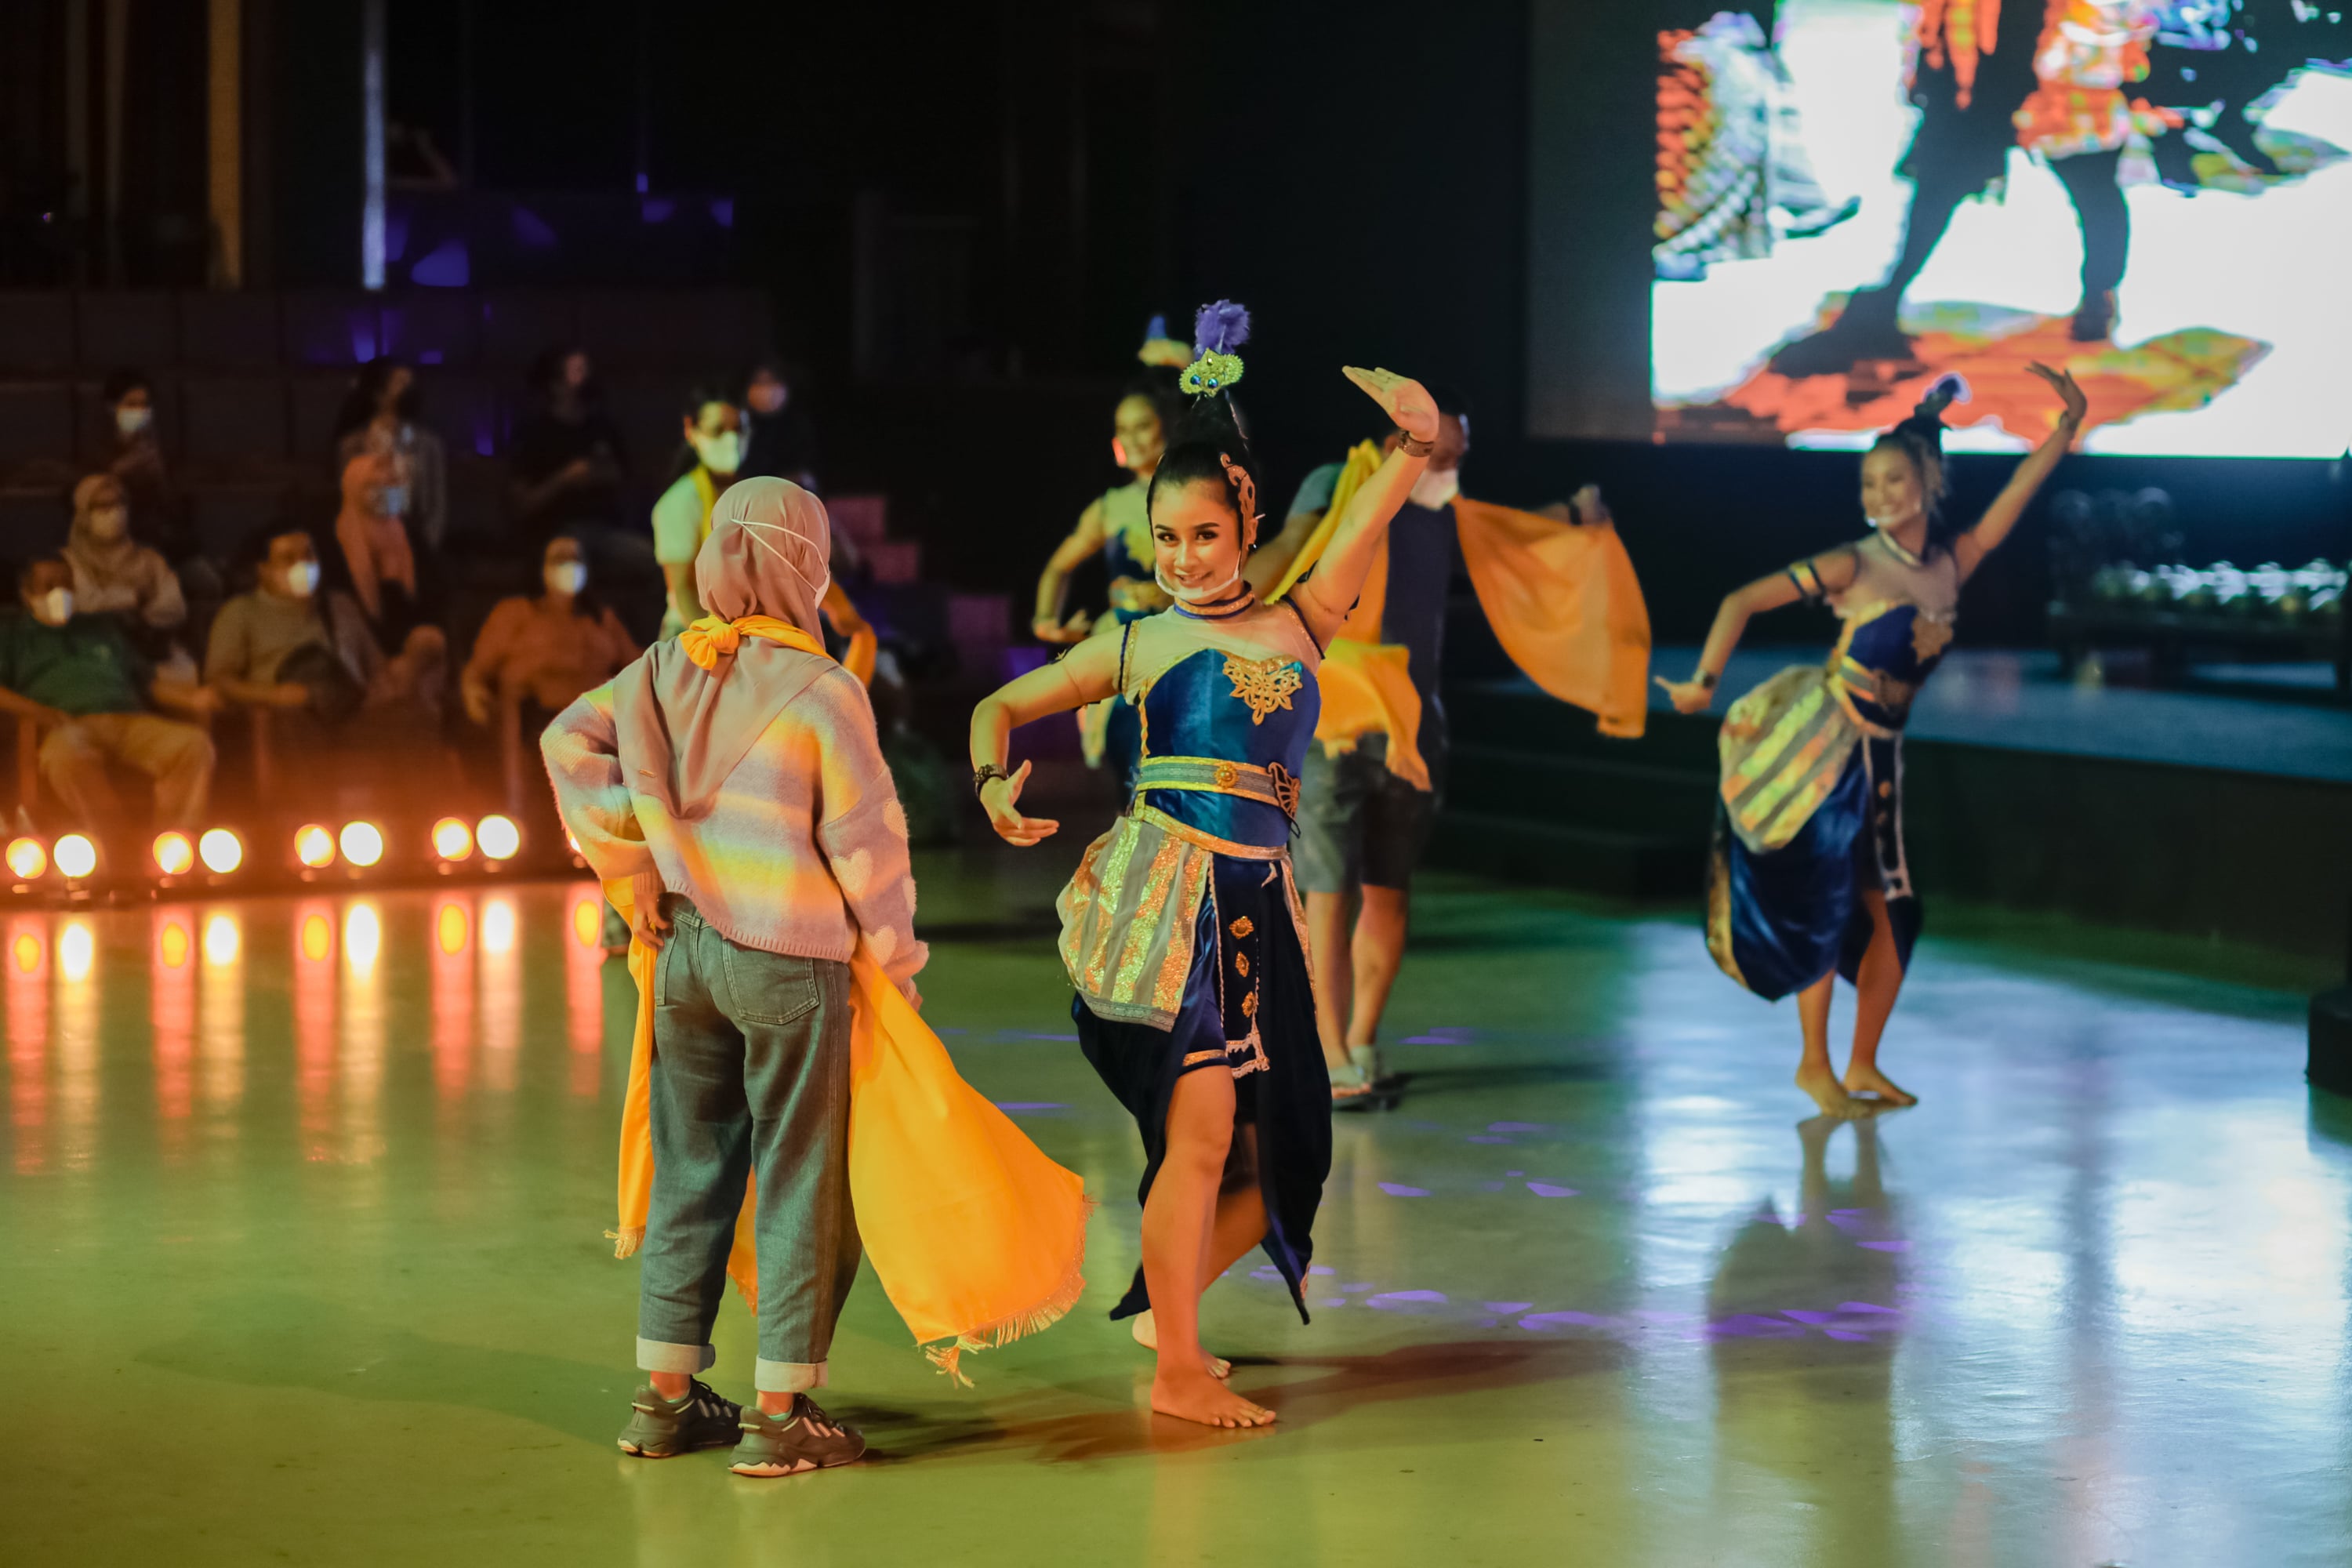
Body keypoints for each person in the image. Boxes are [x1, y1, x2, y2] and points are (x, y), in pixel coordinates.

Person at [545, 479, 1089, 1474]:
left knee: (691, 1166)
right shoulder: (825, 690)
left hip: (682, 954)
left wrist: (638, 861)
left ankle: (664, 1399)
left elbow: (563, 741)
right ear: (806, 568)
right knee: (800, 1176)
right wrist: (896, 964)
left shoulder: (665, 664)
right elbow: (868, 849)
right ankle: (780, 1412)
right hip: (788, 960)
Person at [968, 301, 1436, 1428]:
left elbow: (1363, 530)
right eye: (1164, 539)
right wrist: (993, 785)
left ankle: (1161, 1312)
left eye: (1205, 538)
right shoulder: (1139, 643)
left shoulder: (1300, 624)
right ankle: (1177, 1366)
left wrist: (1414, 449)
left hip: (1257, 912)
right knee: (1205, 1134)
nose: (1182, 560)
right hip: (1170, 907)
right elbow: (1000, 703)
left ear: (1247, 524)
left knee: (1287, 1157)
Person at [1658, 365, 2086, 1117]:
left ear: (1927, 480)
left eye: (1892, 481)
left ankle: (1863, 1061)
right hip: (1827, 749)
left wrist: (2065, 428)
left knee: (1894, 916)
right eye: (1869, 485)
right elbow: (1740, 599)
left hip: (1884, 755)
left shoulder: (1953, 563)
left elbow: (2016, 498)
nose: (1879, 496)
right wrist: (1701, 682)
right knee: (1826, 903)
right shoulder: (1855, 563)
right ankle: (1814, 1066)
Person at [1250, 390, 1652, 1102]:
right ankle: (1329, 1051)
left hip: (1412, 726)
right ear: (1403, 436)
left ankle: (1364, 1043)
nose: (1451, 465)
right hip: (1332, 718)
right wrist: (1219, 602)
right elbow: (1291, 547)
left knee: (1389, 893)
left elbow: (1510, 534)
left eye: (1460, 456)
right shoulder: (1339, 482)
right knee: (1328, 893)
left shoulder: (1444, 512)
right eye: (1441, 451)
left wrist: (1574, 516)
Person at [652, 388, 877, 679]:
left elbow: (796, 562)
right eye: (719, 430)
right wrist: (725, 647)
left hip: (759, 636)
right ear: (691, 431)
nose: (731, 439)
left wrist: (843, 612)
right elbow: (683, 591)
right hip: (694, 633)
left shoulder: (759, 493)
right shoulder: (679, 502)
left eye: (738, 429)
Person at [1031, 362, 1179, 793]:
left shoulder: (1194, 496)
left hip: (1179, 642)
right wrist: (1047, 620)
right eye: (1122, 428)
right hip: (1122, 647)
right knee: (1129, 766)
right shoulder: (1111, 506)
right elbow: (1059, 566)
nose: (1131, 439)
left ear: (1167, 426)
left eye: (1143, 426)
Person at [0, 554, 220, 831]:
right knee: (65, 755)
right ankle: (113, 841)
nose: (61, 593)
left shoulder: (101, 629)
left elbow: (146, 682)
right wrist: (44, 715)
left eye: (67, 585)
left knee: (194, 746)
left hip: (128, 720)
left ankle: (174, 845)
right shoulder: (14, 635)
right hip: (67, 724)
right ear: (27, 592)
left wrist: (192, 698)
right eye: (50, 586)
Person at [461, 535, 640, 728]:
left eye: (576, 559)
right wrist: (472, 691)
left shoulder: (603, 620)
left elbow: (639, 665)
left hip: (596, 723)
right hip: (531, 721)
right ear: (543, 567)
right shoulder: (516, 614)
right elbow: (476, 670)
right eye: (560, 559)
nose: (570, 565)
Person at [204, 529, 365, 725]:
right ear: (264, 570)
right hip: (285, 729)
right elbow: (220, 681)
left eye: (308, 555)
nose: (303, 566)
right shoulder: (240, 612)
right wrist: (279, 696)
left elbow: (378, 670)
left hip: (355, 722)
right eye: (288, 559)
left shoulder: (340, 606)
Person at [325, 450, 445, 711]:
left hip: (410, 650)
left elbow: (433, 600)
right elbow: (336, 608)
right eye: (374, 485)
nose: (386, 490)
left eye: (392, 484)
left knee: (429, 640)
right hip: (360, 646)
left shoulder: (412, 538)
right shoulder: (333, 542)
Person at [508, 347, 630, 547]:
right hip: (555, 532)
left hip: (606, 531)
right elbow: (520, 506)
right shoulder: (534, 434)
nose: (587, 378)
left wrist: (599, 473)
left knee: (649, 560)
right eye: (578, 371)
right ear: (556, 385)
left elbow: (625, 477)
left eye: (587, 369)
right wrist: (564, 479)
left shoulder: (603, 428)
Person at [62, 473, 187, 658]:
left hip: (146, 650)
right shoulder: (67, 562)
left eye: (120, 504)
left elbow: (175, 608)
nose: (115, 512)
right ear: (84, 514)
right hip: (87, 653)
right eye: (104, 506)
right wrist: (136, 598)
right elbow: (82, 606)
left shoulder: (150, 559)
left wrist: (134, 618)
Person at [332, 357, 450, 552]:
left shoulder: (429, 446)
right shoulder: (352, 446)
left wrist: (424, 548)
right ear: (379, 394)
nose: (409, 389)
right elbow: (349, 504)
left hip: (416, 547)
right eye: (401, 383)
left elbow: (436, 506)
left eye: (411, 383)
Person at [99, 368, 195, 566]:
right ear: (111, 407)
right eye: (131, 405)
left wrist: (160, 476)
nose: (139, 411)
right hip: (113, 542)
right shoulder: (97, 445)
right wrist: (117, 472)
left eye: (144, 404)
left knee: (206, 581)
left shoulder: (161, 444)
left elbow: (176, 507)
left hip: (160, 543)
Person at [739, 362, 818, 491]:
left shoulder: (798, 427)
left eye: (771, 381)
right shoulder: (742, 426)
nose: (765, 389)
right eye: (759, 382)